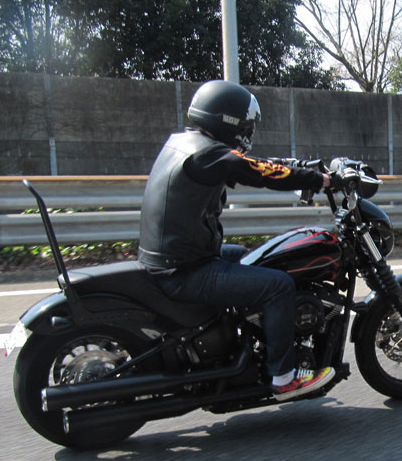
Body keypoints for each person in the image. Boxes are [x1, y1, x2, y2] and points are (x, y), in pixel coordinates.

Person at [138, 80, 334, 401]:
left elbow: (255, 165)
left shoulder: (188, 144)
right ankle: (284, 378)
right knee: (279, 285)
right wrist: (321, 180)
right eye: (245, 125)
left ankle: (243, 343)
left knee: (245, 256)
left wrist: (299, 167)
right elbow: (259, 172)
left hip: (177, 258)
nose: (248, 132)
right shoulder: (208, 154)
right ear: (227, 121)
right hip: (184, 271)